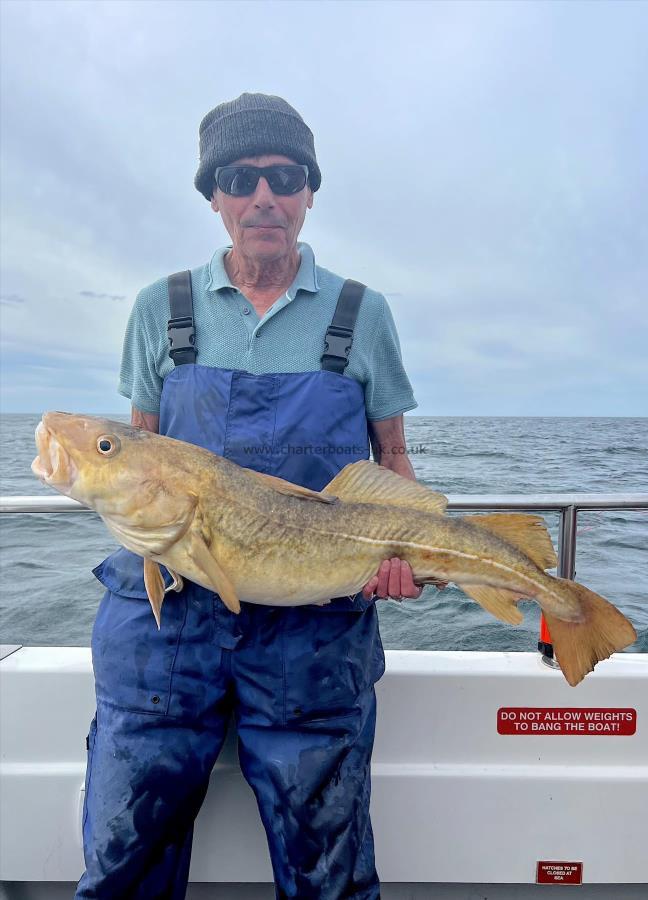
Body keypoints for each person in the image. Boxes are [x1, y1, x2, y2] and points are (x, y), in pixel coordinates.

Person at [77, 93, 421, 900]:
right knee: (125, 857)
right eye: (241, 177)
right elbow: (141, 448)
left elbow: (393, 454)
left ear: (307, 193)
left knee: (324, 872)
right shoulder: (162, 309)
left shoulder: (358, 313)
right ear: (214, 197)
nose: (263, 195)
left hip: (311, 628)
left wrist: (406, 549)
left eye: (284, 176)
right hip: (170, 624)